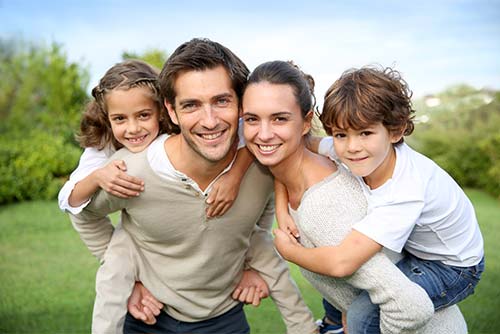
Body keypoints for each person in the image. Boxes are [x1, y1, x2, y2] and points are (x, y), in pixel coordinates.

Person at [69, 38, 317, 334]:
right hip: (148, 317)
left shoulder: (263, 161)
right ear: (170, 112)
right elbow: (82, 214)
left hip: (224, 318)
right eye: (191, 105)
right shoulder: (131, 171)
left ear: (241, 104)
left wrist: (252, 268)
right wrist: (127, 275)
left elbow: (259, 213)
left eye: (222, 101)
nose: (209, 121)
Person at [58, 59, 262, 333]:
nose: (133, 129)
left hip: (212, 296)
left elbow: (248, 137)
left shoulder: (185, 132)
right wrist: (97, 177)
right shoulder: (104, 146)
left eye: (143, 115)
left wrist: (234, 175)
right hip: (135, 247)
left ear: (163, 110)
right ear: (108, 118)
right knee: (113, 278)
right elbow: (70, 200)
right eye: (120, 118)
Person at [277, 65, 484, 333]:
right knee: (352, 284)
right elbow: (293, 151)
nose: (352, 147)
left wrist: (290, 252)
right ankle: (332, 323)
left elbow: (342, 262)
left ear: (395, 131)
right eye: (341, 134)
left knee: (363, 315)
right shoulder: (351, 150)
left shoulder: (404, 191)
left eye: (366, 133)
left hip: (452, 267)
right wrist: (282, 208)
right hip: (416, 247)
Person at [242, 60, 441, 334]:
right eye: (252, 119)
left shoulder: (325, 204)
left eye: (280, 118)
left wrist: (292, 253)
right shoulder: (315, 163)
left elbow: (410, 307)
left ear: (306, 122)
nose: (263, 134)